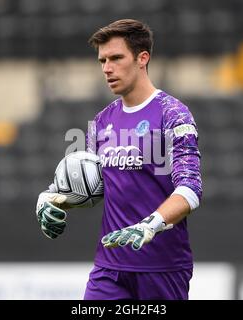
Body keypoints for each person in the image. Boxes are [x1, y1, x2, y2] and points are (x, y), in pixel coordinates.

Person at [36, 19, 202, 300]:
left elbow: (191, 189)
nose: (107, 68)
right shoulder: (100, 122)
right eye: (102, 60)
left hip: (162, 268)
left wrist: (150, 225)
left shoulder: (173, 114)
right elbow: (88, 185)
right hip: (109, 268)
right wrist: (48, 199)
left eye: (116, 58)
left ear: (142, 58)